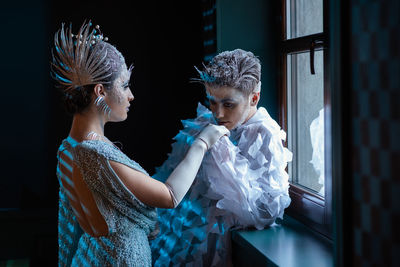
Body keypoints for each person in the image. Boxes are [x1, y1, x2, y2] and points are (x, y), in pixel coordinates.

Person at [53, 21, 229, 267]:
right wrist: (202, 142)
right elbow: (170, 196)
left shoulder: (68, 147)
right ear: (100, 91)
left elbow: (74, 228)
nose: (131, 95)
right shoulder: (94, 153)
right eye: (124, 85)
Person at [151, 49, 293, 266]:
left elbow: (264, 213)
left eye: (228, 104)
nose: (217, 114)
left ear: (254, 98)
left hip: (217, 246)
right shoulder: (208, 122)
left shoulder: (264, 133)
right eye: (212, 102)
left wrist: (222, 151)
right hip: (187, 238)